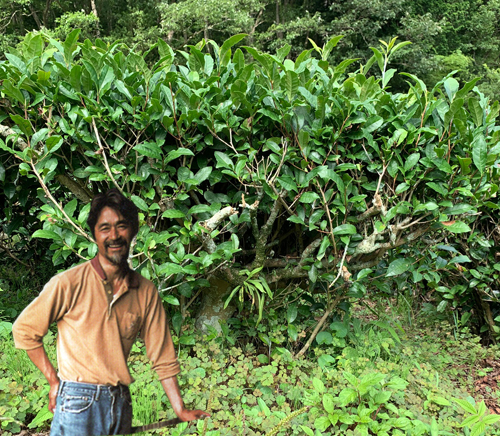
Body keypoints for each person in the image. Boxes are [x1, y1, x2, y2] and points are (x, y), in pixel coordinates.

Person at [12, 188, 209, 436]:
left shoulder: (145, 291)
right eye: (105, 228)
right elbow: (24, 330)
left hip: (120, 401)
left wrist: (180, 409)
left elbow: (163, 356)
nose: (114, 235)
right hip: (77, 400)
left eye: (121, 226)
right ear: (94, 234)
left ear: (133, 230)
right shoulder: (69, 283)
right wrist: (54, 381)